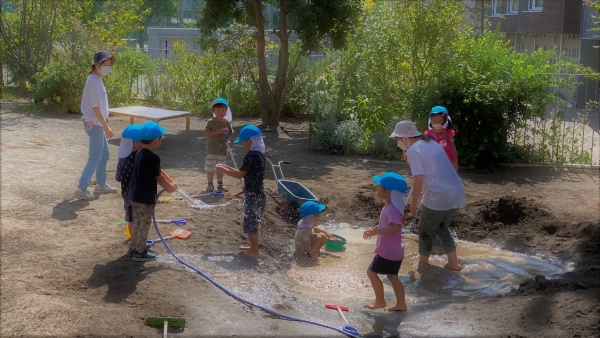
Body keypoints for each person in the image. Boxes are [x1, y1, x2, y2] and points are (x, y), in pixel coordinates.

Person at [390, 120, 466, 271]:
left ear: (405, 137)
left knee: (425, 230)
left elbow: (418, 178)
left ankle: (423, 263)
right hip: (456, 191)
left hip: (439, 195)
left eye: (398, 139)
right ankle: (453, 263)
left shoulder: (414, 151)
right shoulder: (431, 143)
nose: (398, 143)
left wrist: (413, 204)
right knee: (441, 227)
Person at [127, 121, 178, 262]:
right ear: (156, 140)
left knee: (137, 222)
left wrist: (170, 182)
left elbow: (159, 172)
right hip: (144, 199)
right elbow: (159, 177)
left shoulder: (139, 154)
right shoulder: (153, 158)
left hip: (134, 196)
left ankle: (135, 247)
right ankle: (140, 253)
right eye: (161, 138)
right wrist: (169, 187)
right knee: (144, 224)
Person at [215, 124, 265, 259]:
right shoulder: (259, 154)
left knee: (251, 222)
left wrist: (224, 170)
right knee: (252, 222)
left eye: (243, 142)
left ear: (250, 141)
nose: (243, 144)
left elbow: (239, 175)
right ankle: (253, 247)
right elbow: (242, 172)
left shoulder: (251, 155)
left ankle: (255, 251)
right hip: (258, 193)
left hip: (254, 195)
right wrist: (226, 167)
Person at [74, 50, 118, 200]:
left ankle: (101, 184)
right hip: (95, 124)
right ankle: (81, 188)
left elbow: (100, 107)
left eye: (110, 65)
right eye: (107, 64)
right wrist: (106, 126)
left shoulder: (96, 80)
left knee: (104, 155)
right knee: (95, 157)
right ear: (98, 65)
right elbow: (96, 108)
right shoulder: (93, 82)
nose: (109, 67)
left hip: (98, 123)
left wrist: (105, 123)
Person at [363, 172, 409, 312]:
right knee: (393, 277)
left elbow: (394, 228)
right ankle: (401, 304)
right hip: (395, 251)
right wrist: (374, 228)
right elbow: (386, 225)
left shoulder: (392, 210)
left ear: (387, 192)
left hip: (388, 251)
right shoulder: (391, 208)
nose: (377, 189)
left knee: (371, 272)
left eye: (380, 187)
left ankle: (380, 301)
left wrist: (376, 232)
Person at [115, 124, 142, 256]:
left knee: (131, 220)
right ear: (137, 143)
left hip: (127, 195)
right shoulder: (139, 158)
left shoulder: (122, 158)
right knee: (139, 221)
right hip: (138, 197)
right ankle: (137, 245)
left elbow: (118, 178)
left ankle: (134, 242)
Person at [203, 98, 234, 193]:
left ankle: (220, 184)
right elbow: (207, 133)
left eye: (223, 110)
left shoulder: (227, 123)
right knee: (210, 168)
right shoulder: (211, 121)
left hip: (222, 150)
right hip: (212, 150)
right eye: (218, 110)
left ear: (226, 111)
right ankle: (210, 184)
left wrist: (228, 141)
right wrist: (217, 131)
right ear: (214, 111)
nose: (221, 112)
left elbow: (231, 133)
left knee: (221, 169)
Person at [423, 106, 459, 170]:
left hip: (447, 164)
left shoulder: (449, 133)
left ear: (446, 120)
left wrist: (456, 162)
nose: (437, 123)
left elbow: (453, 148)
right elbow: (424, 150)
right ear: (430, 120)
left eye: (440, 121)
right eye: (434, 121)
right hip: (431, 165)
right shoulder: (427, 134)